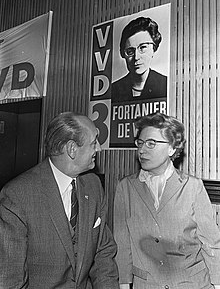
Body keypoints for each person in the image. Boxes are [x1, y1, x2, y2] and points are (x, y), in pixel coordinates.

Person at [0, 112, 119, 289]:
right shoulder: (17, 196)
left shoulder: (94, 186)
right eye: (94, 143)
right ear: (72, 149)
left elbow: (103, 253)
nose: (99, 149)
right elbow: (11, 278)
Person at [114, 112, 220, 289]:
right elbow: (122, 245)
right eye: (140, 143)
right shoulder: (126, 188)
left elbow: (211, 243)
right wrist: (124, 284)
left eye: (151, 143)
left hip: (193, 284)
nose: (142, 150)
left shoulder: (193, 186)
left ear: (172, 148)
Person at [111, 17, 167, 103]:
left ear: (153, 49)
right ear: (123, 54)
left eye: (143, 48)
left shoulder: (165, 84)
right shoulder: (113, 89)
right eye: (130, 51)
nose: (136, 57)